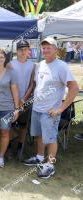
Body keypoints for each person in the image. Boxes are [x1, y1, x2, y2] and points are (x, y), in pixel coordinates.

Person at [23, 37, 79, 179]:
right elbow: (37, 85)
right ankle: (40, 157)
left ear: (55, 49)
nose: (46, 50)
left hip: (50, 112)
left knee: (51, 138)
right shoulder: (40, 64)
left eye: (49, 47)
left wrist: (60, 109)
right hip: (37, 108)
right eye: (44, 47)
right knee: (40, 136)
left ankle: (50, 165)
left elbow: (74, 88)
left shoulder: (61, 66)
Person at [6, 40, 35, 160]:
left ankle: (19, 148)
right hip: (11, 100)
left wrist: (24, 99)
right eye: (20, 50)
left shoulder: (33, 65)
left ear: (29, 50)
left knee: (23, 126)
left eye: (25, 49)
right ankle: (7, 148)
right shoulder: (10, 64)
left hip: (25, 101)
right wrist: (16, 100)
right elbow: (8, 83)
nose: (23, 52)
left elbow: (32, 84)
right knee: (9, 125)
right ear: (16, 51)